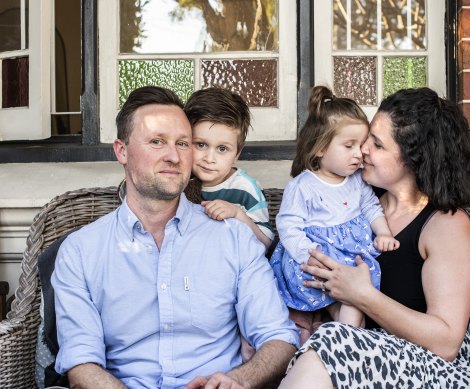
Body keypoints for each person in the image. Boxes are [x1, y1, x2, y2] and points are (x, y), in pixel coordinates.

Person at [52, 86, 299, 389]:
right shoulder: (80, 251)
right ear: (122, 151)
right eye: (157, 142)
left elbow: (279, 337)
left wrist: (238, 380)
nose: (173, 156)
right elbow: (80, 362)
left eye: (183, 143)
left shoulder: (234, 237)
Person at [279, 87, 470, 388]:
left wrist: (363, 296)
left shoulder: (445, 226)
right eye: (367, 137)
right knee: (325, 343)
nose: (363, 149)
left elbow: (446, 343)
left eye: (377, 144)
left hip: (439, 372)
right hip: (357, 356)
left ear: (413, 160)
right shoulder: (354, 201)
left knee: (331, 342)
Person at [270, 86, 399, 330]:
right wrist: (308, 254)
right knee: (345, 297)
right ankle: (336, 335)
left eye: (361, 145)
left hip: (350, 261)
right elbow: (288, 225)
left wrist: (383, 232)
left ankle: (343, 339)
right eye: (349, 145)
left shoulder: (358, 181)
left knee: (356, 296)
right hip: (314, 261)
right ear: (320, 148)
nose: (359, 153)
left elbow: (371, 207)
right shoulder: (302, 186)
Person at [184, 87, 274, 250]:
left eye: (222, 149)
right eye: (201, 145)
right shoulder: (181, 181)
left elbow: (266, 243)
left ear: (237, 154)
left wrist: (237, 214)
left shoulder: (244, 189)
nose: (209, 159)